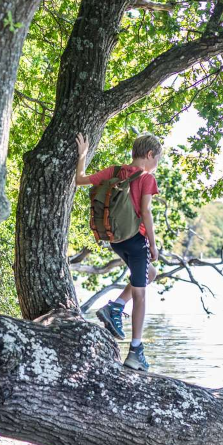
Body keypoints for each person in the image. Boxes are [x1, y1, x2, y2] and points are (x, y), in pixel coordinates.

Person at [74, 132, 162, 371]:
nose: (156, 166)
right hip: (136, 241)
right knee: (142, 296)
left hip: (116, 240)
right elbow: (146, 212)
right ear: (150, 154)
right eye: (157, 160)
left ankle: (116, 306)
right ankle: (135, 351)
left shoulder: (113, 172)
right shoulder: (146, 178)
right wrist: (152, 244)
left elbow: (79, 180)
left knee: (149, 274)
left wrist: (82, 155)